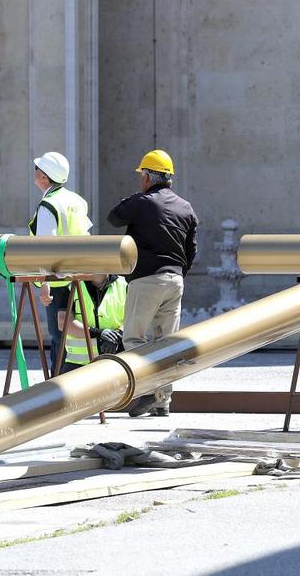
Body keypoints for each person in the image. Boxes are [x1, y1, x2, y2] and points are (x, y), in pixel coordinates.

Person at [107, 149, 198, 417]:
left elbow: (113, 217)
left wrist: (134, 199)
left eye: (141, 176)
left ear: (147, 177)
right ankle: (163, 401)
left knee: (134, 338)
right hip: (175, 279)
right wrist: (179, 273)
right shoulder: (186, 207)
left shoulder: (142, 202)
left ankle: (145, 392)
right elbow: (192, 249)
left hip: (147, 279)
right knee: (167, 344)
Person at [27, 151, 92, 373]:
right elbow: (85, 236)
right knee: (73, 337)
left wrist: (44, 282)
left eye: (37, 169)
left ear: (44, 177)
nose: (34, 172)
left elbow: (47, 246)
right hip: (79, 279)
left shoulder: (49, 204)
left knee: (59, 338)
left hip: (56, 282)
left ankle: (58, 389)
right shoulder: (77, 201)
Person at [60, 274, 127, 373]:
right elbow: (63, 322)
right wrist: (98, 333)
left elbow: (136, 317)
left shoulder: (124, 285)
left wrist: (117, 335)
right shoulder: (72, 285)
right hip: (79, 365)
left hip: (116, 360)